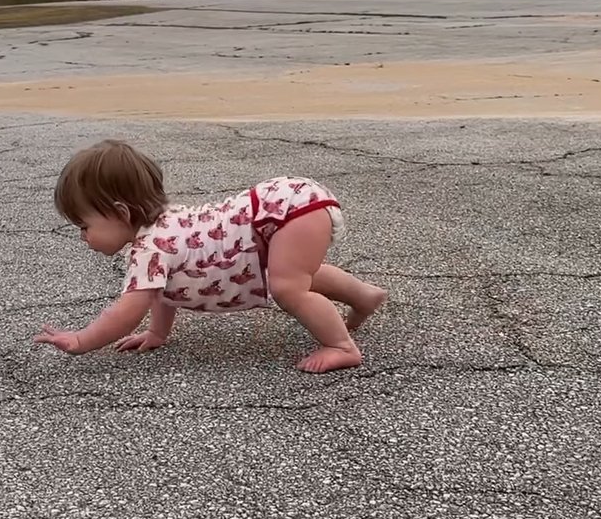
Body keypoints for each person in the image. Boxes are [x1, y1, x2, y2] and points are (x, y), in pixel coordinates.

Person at [35, 140, 386, 374]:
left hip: (285, 213)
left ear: (121, 212)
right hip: (287, 204)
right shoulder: (165, 226)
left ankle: (341, 346)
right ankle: (364, 296)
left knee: (288, 287)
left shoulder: (149, 249)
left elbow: (127, 312)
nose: (83, 237)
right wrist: (158, 333)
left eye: (84, 225)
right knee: (296, 273)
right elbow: (163, 290)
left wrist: (83, 340)